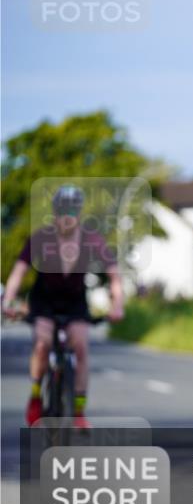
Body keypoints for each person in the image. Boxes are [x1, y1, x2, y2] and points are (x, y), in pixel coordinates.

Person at [1, 184, 124, 429]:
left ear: (78, 213)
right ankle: (36, 395)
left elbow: (114, 276)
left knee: (80, 346)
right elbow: (18, 273)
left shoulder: (92, 240)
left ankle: (78, 410)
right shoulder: (41, 238)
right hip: (44, 301)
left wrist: (117, 304)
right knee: (42, 344)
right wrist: (8, 301)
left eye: (72, 211)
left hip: (75, 302)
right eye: (62, 211)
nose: (67, 217)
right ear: (55, 213)